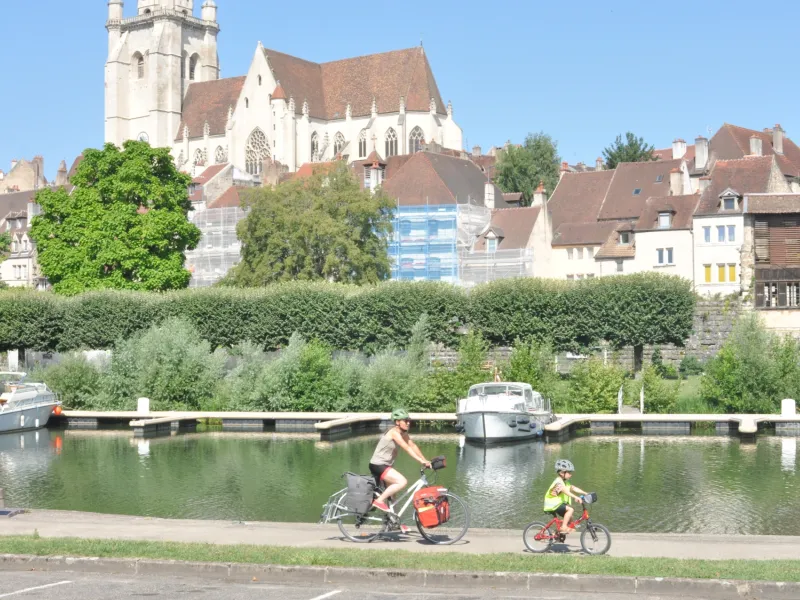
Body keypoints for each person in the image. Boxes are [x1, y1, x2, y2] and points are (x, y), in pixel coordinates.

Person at [369, 408, 431, 513]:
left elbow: (412, 445)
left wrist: (425, 459)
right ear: (397, 422)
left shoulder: (403, 433)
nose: (408, 423)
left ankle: (394, 522)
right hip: (378, 465)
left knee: (393, 497)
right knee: (402, 482)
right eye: (405, 421)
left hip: (386, 465)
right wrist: (420, 460)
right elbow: (406, 448)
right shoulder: (394, 433)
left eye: (409, 420)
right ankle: (379, 501)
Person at [544, 459, 588, 534]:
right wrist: (576, 497)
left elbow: (573, 488)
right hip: (552, 504)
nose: (571, 474)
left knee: (571, 520)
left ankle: (558, 532)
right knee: (570, 510)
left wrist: (585, 493)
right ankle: (563, 527)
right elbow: (565, 491)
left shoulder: (565, 482)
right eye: (569, 472)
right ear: (562, 473)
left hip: (558, 504)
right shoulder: (558, 482)